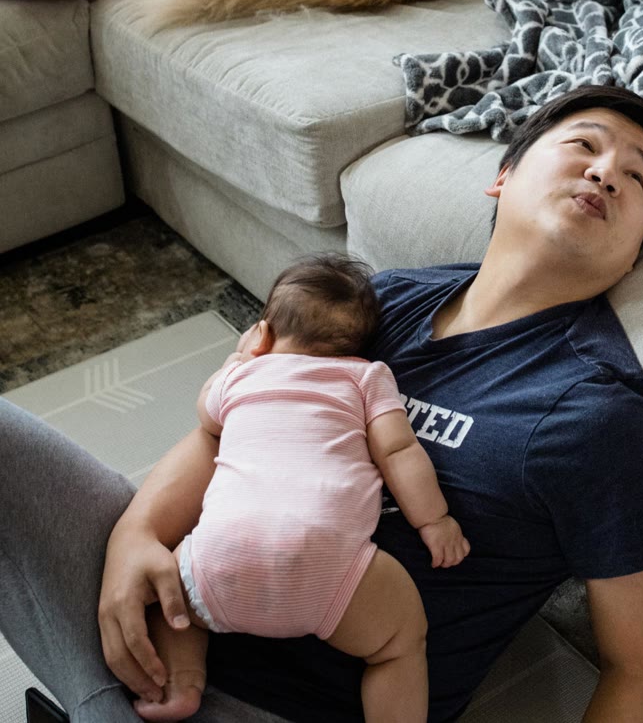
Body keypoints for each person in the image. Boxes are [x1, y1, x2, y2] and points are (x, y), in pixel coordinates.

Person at [0, 84, 643, 723]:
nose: (605, 173)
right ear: (503, 177)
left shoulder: (607, 418)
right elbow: (230, 427)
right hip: (164, 610)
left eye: (636, 178)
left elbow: (640, 672)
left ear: (633, 257)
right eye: (583, 145)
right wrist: (135, 537)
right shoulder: (381, 300)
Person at [135, 254, 469, 722]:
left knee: (170, 600)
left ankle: (183, 685)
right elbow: (398, 453)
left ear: (263, 334)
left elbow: (207, 417)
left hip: (221, 557)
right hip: (327, 565)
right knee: (399, 643)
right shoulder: (366, 377)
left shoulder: (238, 375)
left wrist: (240, 354)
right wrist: (434, 522)